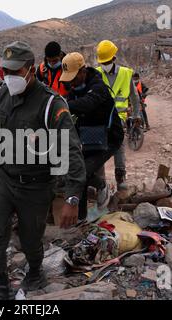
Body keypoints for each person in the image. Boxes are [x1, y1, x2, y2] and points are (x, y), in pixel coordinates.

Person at [0, 41, 86, 300]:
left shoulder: (51, 104)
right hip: (5, 178)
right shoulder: (3, 95)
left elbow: (70, 150)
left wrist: (72, 198)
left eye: (15, 72)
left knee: (30, 239)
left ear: (29, 69)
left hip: (36, 184)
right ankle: (1, 286)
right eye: (6, 72)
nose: (10, 77)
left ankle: (36, 271)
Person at [60, 52, 124, 220]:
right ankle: (83, 213)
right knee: (75, 169)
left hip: (110, 138)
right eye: (69, 80)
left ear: (83, 71)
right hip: (88, 137)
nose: (71, 84)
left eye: (73, 78)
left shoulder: (98, 87)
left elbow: (86, 105)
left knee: (81, 172)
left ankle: (80, 217)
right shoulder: (74, 90)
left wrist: (62, 104)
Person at [95, 40, 142, 190]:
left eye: (107, 61)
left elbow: (134, 97)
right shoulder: (96, 74)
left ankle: (120, 177)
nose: (105, 64)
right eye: (103, 62)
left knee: (118, 147)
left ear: (114, 58)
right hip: (100, 118)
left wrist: (136, 115)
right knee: (99, 148)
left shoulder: (126, 74)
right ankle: (100, 182)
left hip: (119, 118)